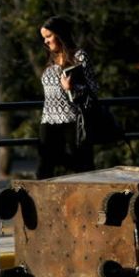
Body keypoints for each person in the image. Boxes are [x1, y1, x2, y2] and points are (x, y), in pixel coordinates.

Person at [37, 15, 99, 179]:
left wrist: (72, 87)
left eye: (49, 36)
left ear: (60, 34)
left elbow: (93, 88)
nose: (46, 42)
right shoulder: (50, 59)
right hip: (48, 119)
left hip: (73, 119)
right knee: (44, 166)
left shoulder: (79, 56)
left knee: (82, 169)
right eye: (44, 38)